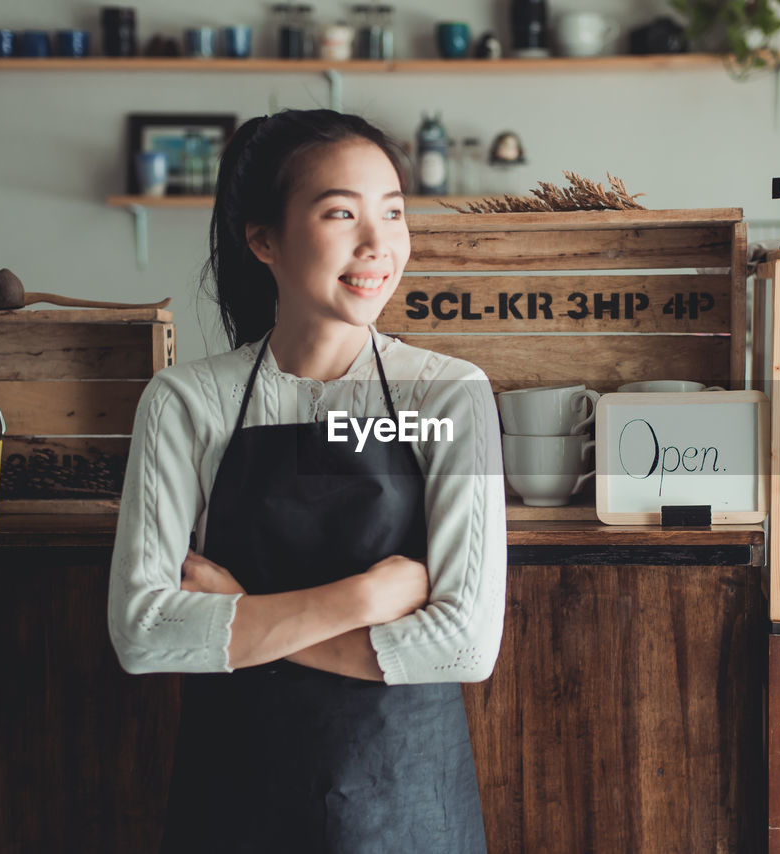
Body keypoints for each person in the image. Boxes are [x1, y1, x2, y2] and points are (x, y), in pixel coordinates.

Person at [107, 108, 507, 853]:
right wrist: (359, 600)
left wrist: (244, 616)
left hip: (407, 798)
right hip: (236, 792)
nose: (378, 244)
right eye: (340, 213)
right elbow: (144, 632)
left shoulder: (448, 399)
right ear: (263, 239)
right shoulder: (188, 403)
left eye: (393, 212)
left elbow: (464, 645)